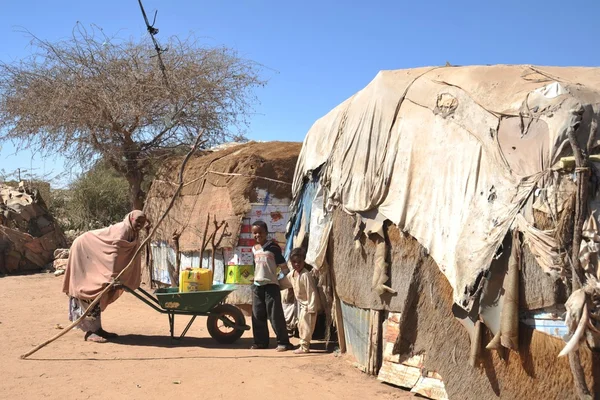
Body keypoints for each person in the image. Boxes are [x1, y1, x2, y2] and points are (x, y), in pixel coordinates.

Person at [62, 210, 150, 343]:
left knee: (98, 296)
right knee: (90, 292)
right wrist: (112, 277)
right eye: (138, 221)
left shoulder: (133, 233)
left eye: (142, 222)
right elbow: (113, 255)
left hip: (95, 256)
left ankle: (97, 329)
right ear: (131, 219)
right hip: (84, 250)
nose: (140, 224)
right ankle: (90, 332)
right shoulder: (122, 231)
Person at [250, 220, 294, 351]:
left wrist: (280, 281)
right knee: (257, 315)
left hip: (271, 286)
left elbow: (284, 269)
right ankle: (260, 342)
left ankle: (283, 342)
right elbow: (256, 267)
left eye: (260, 232)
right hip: (257, 287)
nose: (257, 235)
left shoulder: (274, 248)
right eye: (255, 233)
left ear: (266, 233)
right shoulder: (254, 249)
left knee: (275, 316)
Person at [287, 247, 320, 354]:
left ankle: (305, 347)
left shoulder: (305, 275)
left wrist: (312, 307)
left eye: (299, 262)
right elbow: (284, 282)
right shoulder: (292, 274)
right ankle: (303, 346)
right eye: (294, 262)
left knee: (306, 326)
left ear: (304, 261)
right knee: (301, 325)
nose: (296, 264)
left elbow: (312, 291)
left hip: (308, 306)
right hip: (301, 305)